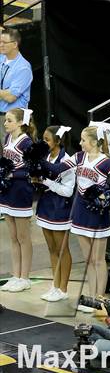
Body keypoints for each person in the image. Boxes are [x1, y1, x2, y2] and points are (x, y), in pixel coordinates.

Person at [41, 125, 110, 303]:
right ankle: (92, 298)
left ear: (93, 142)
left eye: (83, 140)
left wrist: (106, 197)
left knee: (98, 260)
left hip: (97, 215)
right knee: (88, 260)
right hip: (80, 212)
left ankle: (99, 299)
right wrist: (37, 160)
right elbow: (56, 170)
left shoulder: (107, 163)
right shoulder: (78, 157)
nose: (80, 142)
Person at [35, 126, 75, 302]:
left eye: (47, 140)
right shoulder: (45, 157)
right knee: (52, 249)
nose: (44, 143)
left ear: (58, 141)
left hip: (60, 209)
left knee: (62, 249)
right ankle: (55, 285)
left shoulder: (66, 161)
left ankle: (63, 289)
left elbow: (67, 191)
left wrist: (46, 182)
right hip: (45, 207)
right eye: (43, 139)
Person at [0, 108, 36, 293]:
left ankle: (25, 277)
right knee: (13, 237)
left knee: (23, 237)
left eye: (9, 120)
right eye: (5, 120)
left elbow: (32, 171)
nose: (5, 123)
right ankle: (16, 275)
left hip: (21, 191)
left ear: (21, 123)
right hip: (7, 191)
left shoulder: (27, 143)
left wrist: (11, 173)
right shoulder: (7, 139)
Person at [0, 28, 33, 150]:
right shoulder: (2, 58)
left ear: (15, 44)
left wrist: (5, 93)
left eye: (4, 42)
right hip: (2, 116)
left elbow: (10, 97)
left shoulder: (23, 67)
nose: (1, 45)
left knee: (11, 156)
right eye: (0, 42)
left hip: (13, 120)